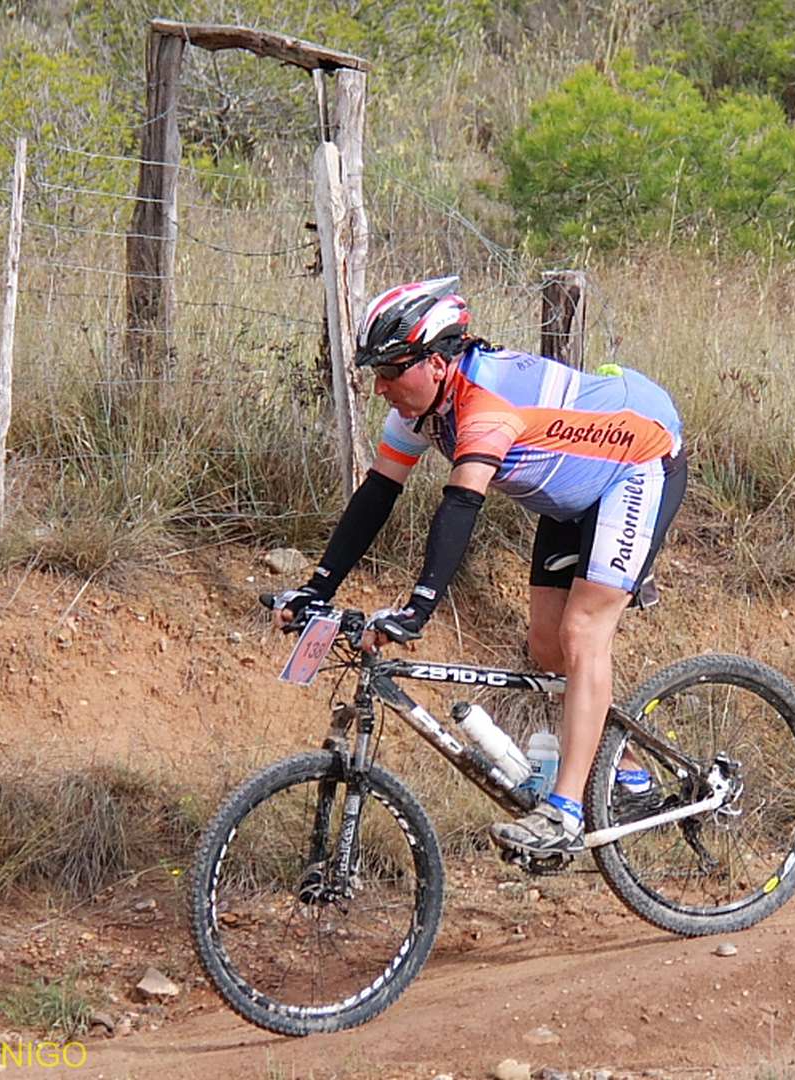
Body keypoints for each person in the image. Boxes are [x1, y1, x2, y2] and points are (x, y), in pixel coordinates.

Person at [273, 276, 687, 856]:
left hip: (637, 464)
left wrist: (418, 608)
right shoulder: (423, 406)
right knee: (546, 645)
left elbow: (461, 505)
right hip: (573, 492)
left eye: (390, 371)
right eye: (375, 373)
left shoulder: (486, 402)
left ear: (437, 362)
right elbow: (377, 495)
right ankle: (630, 772)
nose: (380, 387)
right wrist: (316, 587)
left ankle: (565, 813)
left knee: (582, 632)